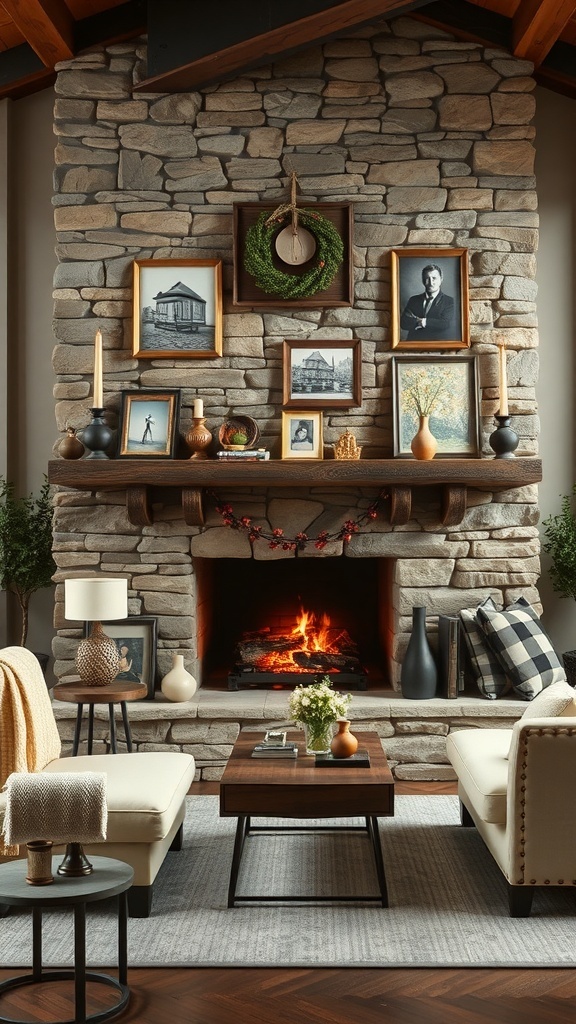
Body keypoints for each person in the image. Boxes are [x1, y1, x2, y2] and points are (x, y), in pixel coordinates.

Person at [400, 264, 456, 342]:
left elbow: (445, 324)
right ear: (423, 280)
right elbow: (403, 323)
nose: (430, 282)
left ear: (441, 279)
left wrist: (423, 321)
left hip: (437, 346)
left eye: (434, 278)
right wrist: (428, 322)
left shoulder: (450, 301)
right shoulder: (413, 300)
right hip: (413, 345)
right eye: (427, 278)